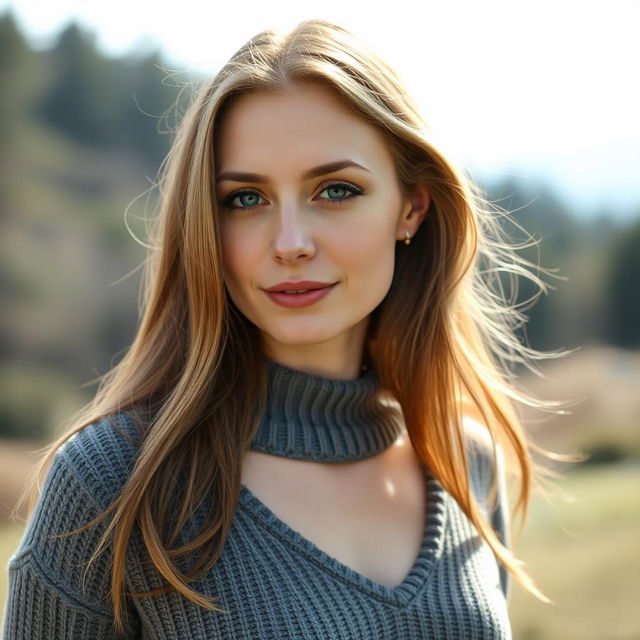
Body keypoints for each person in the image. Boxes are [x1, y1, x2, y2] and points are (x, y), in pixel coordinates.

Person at [2, 18, 570, 639]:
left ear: (412, 207)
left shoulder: (464, 460)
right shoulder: (110, 484)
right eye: (246, 199)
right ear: (204, 225)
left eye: (335, 190)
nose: (290, 243)